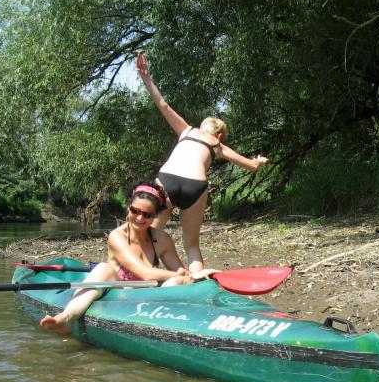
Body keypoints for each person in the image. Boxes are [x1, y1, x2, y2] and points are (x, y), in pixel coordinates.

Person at [136, 53, 269, 274]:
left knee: (149, 234)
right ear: (220, 135)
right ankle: (196, 280)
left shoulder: (186, 130)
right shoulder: (218, 146)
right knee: (192, 246)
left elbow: (163, 105)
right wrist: (259, 160)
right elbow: (252, 166)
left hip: (167, 180)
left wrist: (146, 78)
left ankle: (139, 273)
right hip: (195, 185)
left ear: (201, 126)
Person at [39, 182, 212, 335]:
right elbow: (146, 273)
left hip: (149, 295)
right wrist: (180, 274)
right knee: (103, 268)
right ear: (128, 207)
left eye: (147, 214)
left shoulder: (162, 239)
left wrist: (189, 276)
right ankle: (67, 318)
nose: (140, 218)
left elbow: (181, 274)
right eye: (135, 211)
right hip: (119, 294)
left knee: (179, 282)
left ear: (155, 215)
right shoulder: (117, 236)